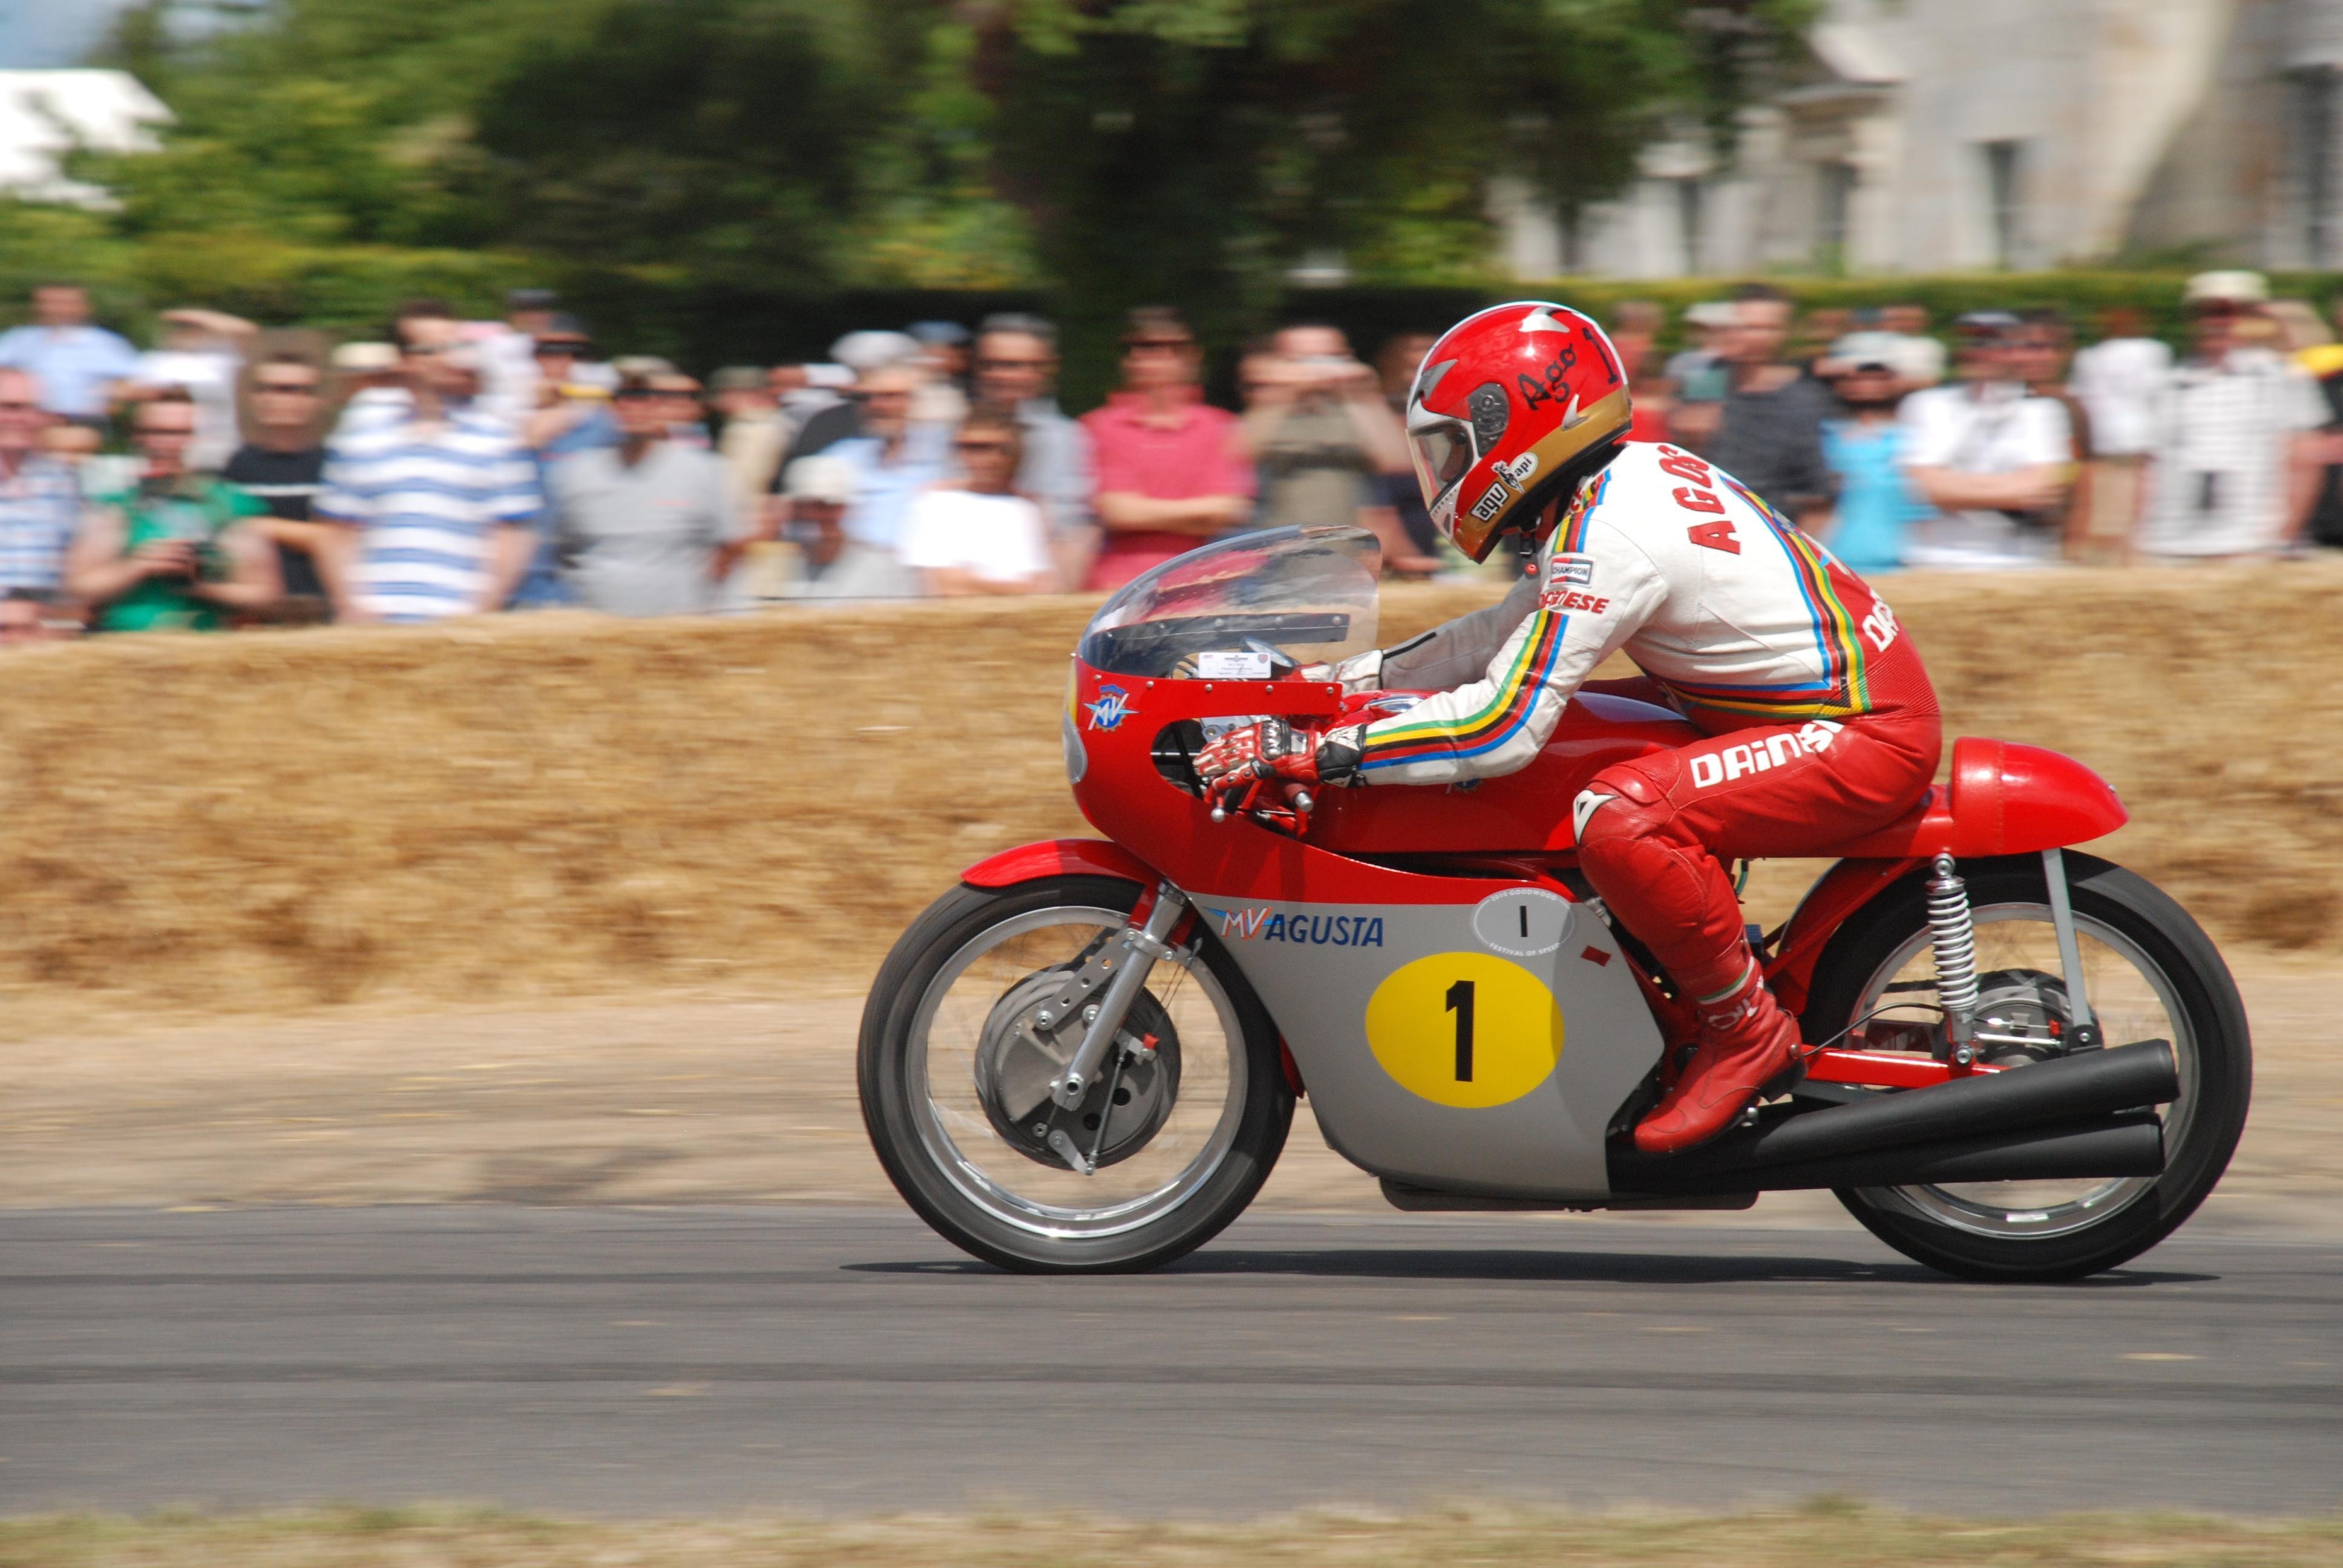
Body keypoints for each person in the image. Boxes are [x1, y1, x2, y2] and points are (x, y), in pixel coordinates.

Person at [1191, 301, 1939, 1154]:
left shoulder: (1611, 533)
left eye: (1453, 449)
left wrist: (1318, 752)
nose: (1446, 473)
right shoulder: (1619, 479)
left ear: (1512, 426)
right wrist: (1324, 689)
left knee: (1620, 814)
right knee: (1578, 736)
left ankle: (1744, 1030)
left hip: (1857, 729)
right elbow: (1490, 640)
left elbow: (1495, 729)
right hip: (1774, 703)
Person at [318, 336, 543, 624]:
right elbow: (336, 529)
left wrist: (483, 609)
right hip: (376, 623)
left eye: (452, 348)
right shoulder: (361, 433)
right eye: (430, 350)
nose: (446, 359)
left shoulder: (499, 438)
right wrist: (349, 604)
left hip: (457, 624)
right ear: (405, 361)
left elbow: (512, 536)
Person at [2135, 271, 2325, 561]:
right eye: (2212, 312)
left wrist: (2283, 539)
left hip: (2247, 546)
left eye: (2234, 312)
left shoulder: (2284, 377)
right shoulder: (2168, 382)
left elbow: (2303, 463)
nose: (2221, 322)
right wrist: (2137, 539)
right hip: (2168, 546)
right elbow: (2149, 468)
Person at [66, 389, 281, 632]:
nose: (169, 443)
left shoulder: (228, 505)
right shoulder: (116, 506)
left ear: (194, 437)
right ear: (139, 437)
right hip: (127, 645)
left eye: (180, 433)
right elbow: (80, 586)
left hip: (204, 646)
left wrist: (201, 586)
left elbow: (265, 594)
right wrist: (140, 565)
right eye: (159, 432)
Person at [1079, 306, 1255, 590]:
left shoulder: (1219, 425)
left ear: (1192, 356)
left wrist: (1144, 513)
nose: (1150, 358)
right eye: (1139, 347)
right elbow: (1117, 512)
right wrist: (1198, 515)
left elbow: (1229, 511)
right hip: (1120, 588)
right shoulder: (1099, 426)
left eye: (1169, 348)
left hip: (1205, 588)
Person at [548, 371, 748, 616]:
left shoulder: (706, 471)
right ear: (610, 409)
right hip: (596, 635)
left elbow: (731, 546)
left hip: (677, 633)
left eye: (645, 397)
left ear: (662, 407)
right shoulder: (572, 474)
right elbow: (559, 551)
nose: (634, 407)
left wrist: (706, 605)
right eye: (623, 398)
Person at [1243, 323, 1436, 575]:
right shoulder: (1274, 409)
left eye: (1327, 358)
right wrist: (1283, 391)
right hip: (1278, 554)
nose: (1316, 369)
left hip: (1342, 556)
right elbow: (1242, 450)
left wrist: (1361, 393)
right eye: (1303, 360)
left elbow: (1396, 460)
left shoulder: (1353, 409)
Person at [1898, 313, 2074, 567]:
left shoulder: (2044, 412)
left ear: (2016, 353)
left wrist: (1953, 487)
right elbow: (1921, 487)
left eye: (1994, 345)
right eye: (1973, 344)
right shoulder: (1926, 404)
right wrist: (2010, 489)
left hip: (2020, 562)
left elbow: (2041, 490)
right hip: (1935, 560)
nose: (1980, 353)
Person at [972, 313, 1094, 584]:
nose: (1000, 375)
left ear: (1046, 370)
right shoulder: (952, 431)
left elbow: (1069, 526)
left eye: (1015, 366)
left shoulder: (1067, 438)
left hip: (1035, 580)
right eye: (991, 364)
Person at [1702, 284, 1837, 529]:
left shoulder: (1803, 402)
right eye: (1746, 327)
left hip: (1770, 540)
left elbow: (1817, 499)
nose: (1755, 337)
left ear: (1783, 333)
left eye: (1767, 328)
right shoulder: (1703, 387)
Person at [223, 352, 336, 621]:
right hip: (257, 614)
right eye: (267, 389)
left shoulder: (335, 465)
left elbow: (339, 539)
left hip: (323, 609)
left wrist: (260, 526)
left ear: (316, 400)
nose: (281, 398)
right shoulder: (238, 466)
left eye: (295, 390)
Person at [899, 406, 1055, 596]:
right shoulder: (935, 504)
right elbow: (943, 586)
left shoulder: (1029, 509)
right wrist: (1016, 590)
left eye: (1000, 449)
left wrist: (976, 583)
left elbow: (1044, 589)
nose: (986, 458)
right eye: (971, 448)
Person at [1817, 333, 1932, 573]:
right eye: (1854, 373)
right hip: (1829, 571)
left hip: (1904, 569)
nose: (1865, 381)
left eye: (1878, 373)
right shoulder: (1816, 438)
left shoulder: (1922, 440)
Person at [2067, 307, 2172, 563]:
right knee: (2137, 506)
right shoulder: (2156, 351)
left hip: (2106, 440)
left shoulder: (2089, 357)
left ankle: (2109, 554)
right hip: (2143, 437)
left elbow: (2081, 398)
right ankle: (2128, 552)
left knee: (2106, 510)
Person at [826, 361, 948, 556]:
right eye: (864, 398)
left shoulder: (951, 454)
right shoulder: (842, 456)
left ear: (919, 401)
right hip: (852, 565)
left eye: (890, 397)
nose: (876, 406)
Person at [775, 454, 917, 599]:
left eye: (825, 507)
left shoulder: (882, 569)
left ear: (846, 509)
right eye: (802, 507)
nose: (812, 515)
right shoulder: (770, 564)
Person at [0, 284, 142, 428]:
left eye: (65, 303)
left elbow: (134, 384)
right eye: (50, 303)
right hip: (27, 420)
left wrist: (107, 404)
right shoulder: (18, 340)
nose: (57, 309)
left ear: (83, 307)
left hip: (85, 421)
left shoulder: (107, 344)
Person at [0, 368, 82, 612]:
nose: (23, 418)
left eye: (33, 409)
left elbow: (74, 573)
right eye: (10, 407)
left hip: (38, 632)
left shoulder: (64, 484)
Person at [136, 307, 255, 470]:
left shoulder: (225, 360)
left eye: (194, 329)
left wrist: (201, 317)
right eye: (181, 328)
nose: (187, 333)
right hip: (171, 447)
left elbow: (252, 334)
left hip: (224, 444)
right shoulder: (157, 361)